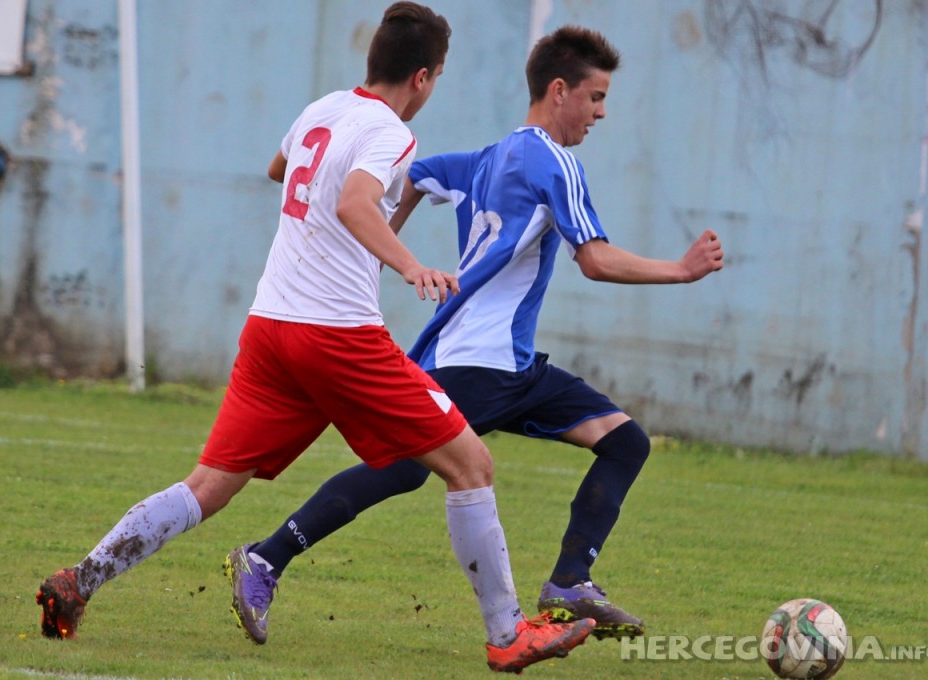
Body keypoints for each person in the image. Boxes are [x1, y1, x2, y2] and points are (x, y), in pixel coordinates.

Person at [36, 4, 596, 673]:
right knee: (471, 465)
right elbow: (354, 203)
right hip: (336, 334)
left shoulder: (322, 109)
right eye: (438, 77)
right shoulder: (391, 133)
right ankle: (508, 635)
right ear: (423, 77)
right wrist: (411, 264)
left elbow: (282, 170)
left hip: (271, 327)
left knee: (208, 486)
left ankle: (80, 580)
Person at [228, 24, 725, 647]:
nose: (601, 113)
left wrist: (388, 241)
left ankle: (570, 583)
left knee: (624, 441)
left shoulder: (490, 157)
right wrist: (680, 271)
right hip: (477, 364)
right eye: (596, 98)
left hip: (511, 367)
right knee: (404, 468)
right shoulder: (555, 161)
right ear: (559, 90)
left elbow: (417, 176)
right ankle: (268, 558)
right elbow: (593, 259)